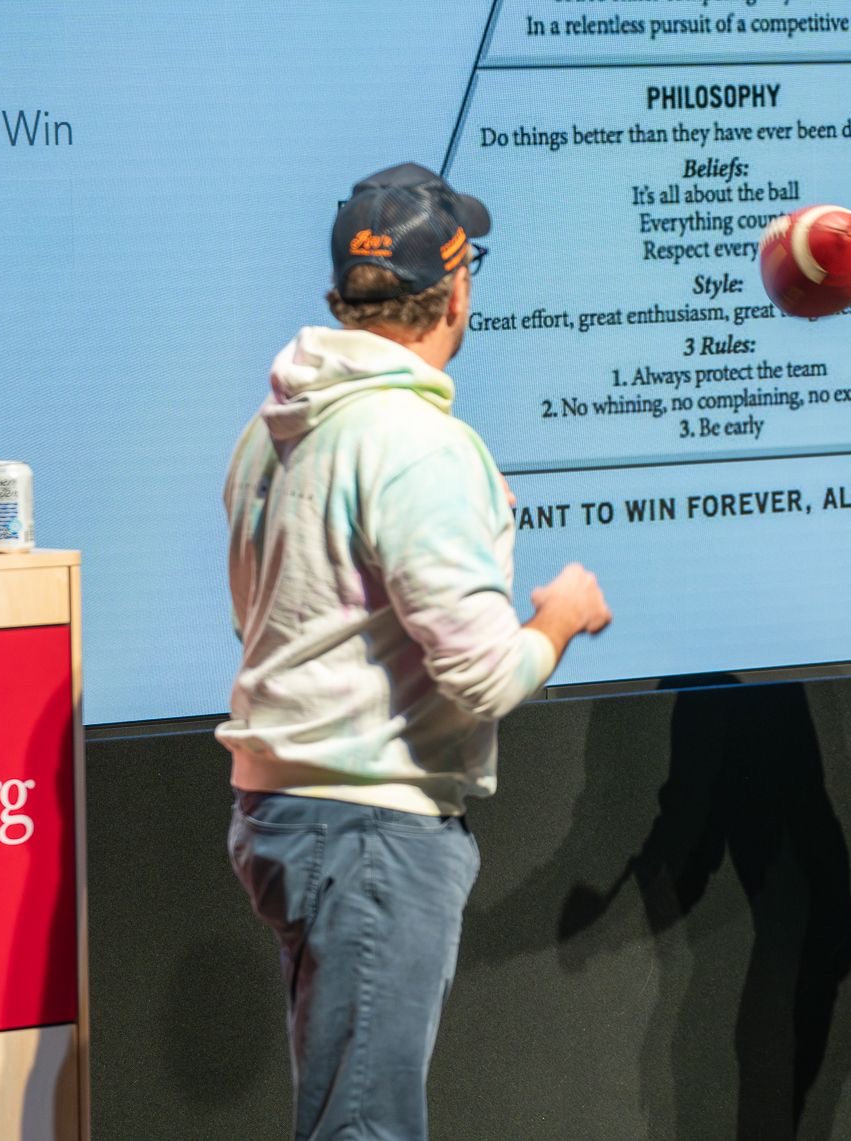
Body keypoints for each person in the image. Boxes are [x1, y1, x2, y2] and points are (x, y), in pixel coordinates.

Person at [218, 162, 612, 1140]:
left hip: (278, 810)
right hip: (369, 829)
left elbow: (258, 614)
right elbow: (483, 675)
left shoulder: (267, 434)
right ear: (456, 291)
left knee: (342, 1111)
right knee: (365, 1126)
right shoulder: (419, 445)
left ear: (340, 301)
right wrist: (558, 617)